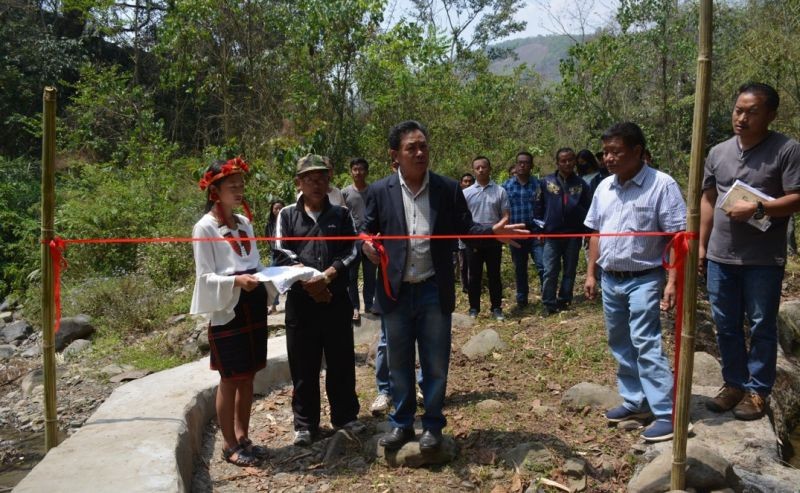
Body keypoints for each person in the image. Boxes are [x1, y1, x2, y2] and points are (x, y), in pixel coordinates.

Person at [362, 120, 526, 451]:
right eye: (412, 148)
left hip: (433, 288)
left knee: (436, 362)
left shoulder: (447, 189)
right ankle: (402, 423)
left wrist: (492, 233)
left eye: (423, 146)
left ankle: (433, 424)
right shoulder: (380, 191)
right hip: (395, 289)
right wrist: (366, 247)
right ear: (395, 155)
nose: (420, 152)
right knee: (399, 362)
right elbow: (365, 231)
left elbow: (466, 228)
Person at [700, 82, 800, 420]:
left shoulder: (786, 150)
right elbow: (709, 199)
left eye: (751, 112)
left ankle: (758, 391)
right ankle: (733, 385)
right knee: (725, 324)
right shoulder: (718, 152)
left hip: (762, 259)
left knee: (760, 325)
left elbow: (796, 198)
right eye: (738, 110)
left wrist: (758, 209)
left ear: (770, 115)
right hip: (720, 255)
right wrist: (702, 245)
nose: (741, 118)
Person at [584, 122, 687, 442]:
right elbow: (596, 233)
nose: (608, 159)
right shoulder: (603, 187)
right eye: (605, 153)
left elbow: (677, 238)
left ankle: (665, 411)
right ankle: (635, 401)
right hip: (611, 278)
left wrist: (672, 282)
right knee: (620, 342)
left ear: (638, 151)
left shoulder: (662, 185)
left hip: (645, 278)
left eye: (616, 152)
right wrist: (591, 273)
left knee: (645, 341)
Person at [273, 154, 363, 446]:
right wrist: (307, 278)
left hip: (335, 299)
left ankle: (345, 417)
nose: (316, 183)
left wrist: (328, 275)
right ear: (298, 183)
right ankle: (304, 424)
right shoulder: (286, 215)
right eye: (309, 178)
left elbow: (352, 250)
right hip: (301, 302)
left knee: (341, 361)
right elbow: (280, 251)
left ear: (329, 180)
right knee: (303, 365)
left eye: (322, 177)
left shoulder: (341, 214)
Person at [190, 157, 268, 466]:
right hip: (228, 309)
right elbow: (205, 276)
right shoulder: (204, 227)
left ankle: (243, 435)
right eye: (231, 186)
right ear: (214, 191)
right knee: (230, 377)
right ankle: (229, 444)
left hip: (253, 304)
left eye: (241, 185)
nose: (239, 190)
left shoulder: (245, 223)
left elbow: (257, 264)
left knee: (248, 377)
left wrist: (276, 276)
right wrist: (236, 281)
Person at [535, 147, 592, 316]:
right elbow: (537, 208)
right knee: (550, 270)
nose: (567, 163)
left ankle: (565, 299)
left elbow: (589, 210)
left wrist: (587, 232)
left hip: (573, 234)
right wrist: (540, 229)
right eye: (563, 160)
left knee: (570, 269)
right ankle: (548, 303)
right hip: (551, 235)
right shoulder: (546, 182)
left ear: (575, 161)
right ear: (557, 162)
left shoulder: (581, 184)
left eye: (570, 160)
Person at [463, 156, 510, 320]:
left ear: (490, 169)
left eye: (484, 167)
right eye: (477, 168)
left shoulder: (500, 191)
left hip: (493, 239)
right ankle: (473, 308)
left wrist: (498, 229)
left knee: (494, 275)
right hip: (474, 240)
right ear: (474, 170)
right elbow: (463, 219)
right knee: (473, 276)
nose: (481, 170)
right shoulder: (466, 193)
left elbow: (505, 216)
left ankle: (496, 308)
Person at [502, 151, 545, 309]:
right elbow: (502, 210)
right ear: (515, 164)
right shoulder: (506, 186)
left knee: (542, 265)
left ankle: (546, 296)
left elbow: (545, 208)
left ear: (531, 166)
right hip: (515, 232)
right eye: (519, 162)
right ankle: (522, 300)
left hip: (534, 231)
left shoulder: (539, 185)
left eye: (526, 162)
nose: (522, 165)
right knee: (520, 267)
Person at [342, 157, 377, 323]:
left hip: (370, 239)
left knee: (370, 274)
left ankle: (369, 304)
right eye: (355, 169)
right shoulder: (345, 193)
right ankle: (354, 307)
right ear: (351, 172)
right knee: (351, 276)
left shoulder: (374, 191)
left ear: (367, 172)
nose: (358, 172)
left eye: (361, 169)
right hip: (352, 240)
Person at [265, 199, 286, 314]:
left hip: (287, 254)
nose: (278, 211)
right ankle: (273, 305)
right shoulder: (270, 224)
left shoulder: (288, 220)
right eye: (275, 208)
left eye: (280, 208)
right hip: (275, 254)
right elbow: (268, 237)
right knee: (273, 278)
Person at [456, 173, 475, 292]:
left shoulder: (476, 194)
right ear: (461, 183)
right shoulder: (457, 196)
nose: (467, 183)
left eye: (470, 181)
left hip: (476, 232)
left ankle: (473, 284)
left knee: (473, 262)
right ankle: (465, 286)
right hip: (461, 233)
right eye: (465, 181)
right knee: (463, 263)